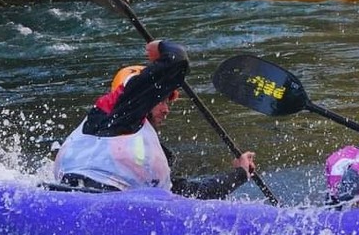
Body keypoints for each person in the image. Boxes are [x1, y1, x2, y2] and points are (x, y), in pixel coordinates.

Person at [53, 39, 257, 197]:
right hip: (77, 194)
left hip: (112, 203)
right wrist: (161, 48)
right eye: (162, 100)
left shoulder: (152, 149)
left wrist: (240, 174)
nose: (166, 109)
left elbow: (190, 194)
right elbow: (177, 60)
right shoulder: (111, 111)